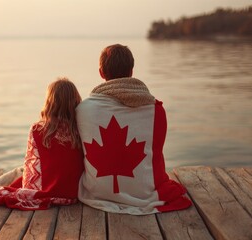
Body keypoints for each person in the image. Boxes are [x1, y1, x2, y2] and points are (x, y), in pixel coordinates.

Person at [76, 44, 191, 215]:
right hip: (144, 195)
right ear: (131, 72)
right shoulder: (156, 110)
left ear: (101, 72)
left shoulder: (81, 110)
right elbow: (156, 158)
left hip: (95, 193)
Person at [0, 78, 84, 210]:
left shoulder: (37, 130)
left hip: (52, 192)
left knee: (19, 173)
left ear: (50, 102)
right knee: (19, 173)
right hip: (74, 194)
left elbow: (31, 171)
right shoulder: (82, 128)